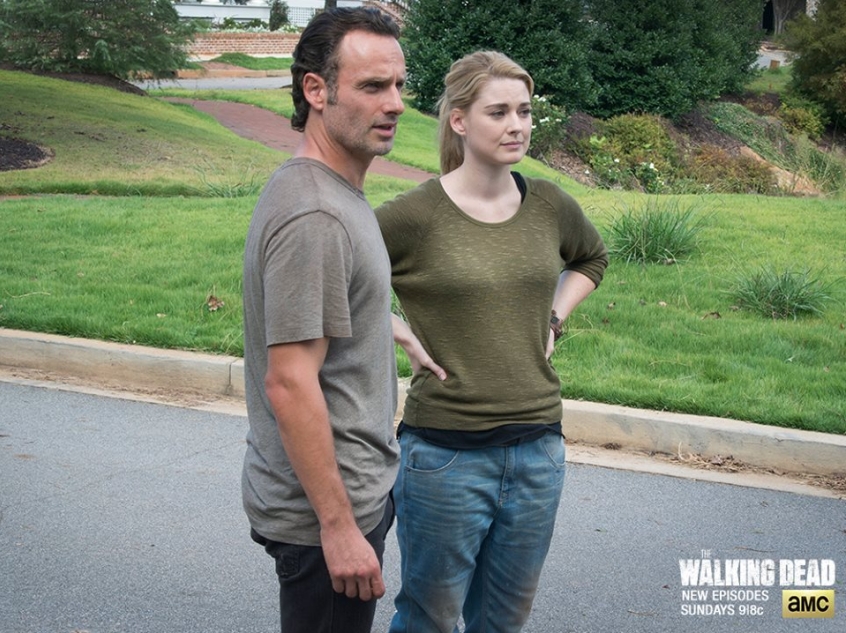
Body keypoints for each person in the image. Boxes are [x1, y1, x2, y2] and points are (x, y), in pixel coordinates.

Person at [376, 51, 609, 633]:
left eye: (524, 111)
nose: (517, 125)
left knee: (504, 622)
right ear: (459, 120)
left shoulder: (549, 204)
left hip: (539, 451)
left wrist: (553, 319)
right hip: (445, 456)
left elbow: (590, 258)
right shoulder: (414, 215)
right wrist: (394, 327)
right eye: (499, 112)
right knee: (429, 620)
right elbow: (332, 274)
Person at [240, 8, 406, 633]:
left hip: (341, 499)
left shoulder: (332, 190)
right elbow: (289, 381)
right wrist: (338, 529)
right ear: (316, 89)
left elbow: (324, 311)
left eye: (399, 84)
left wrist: (384, 323)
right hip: (324, 520)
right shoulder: (316, 214)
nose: (394, 103)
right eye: (372, 86)